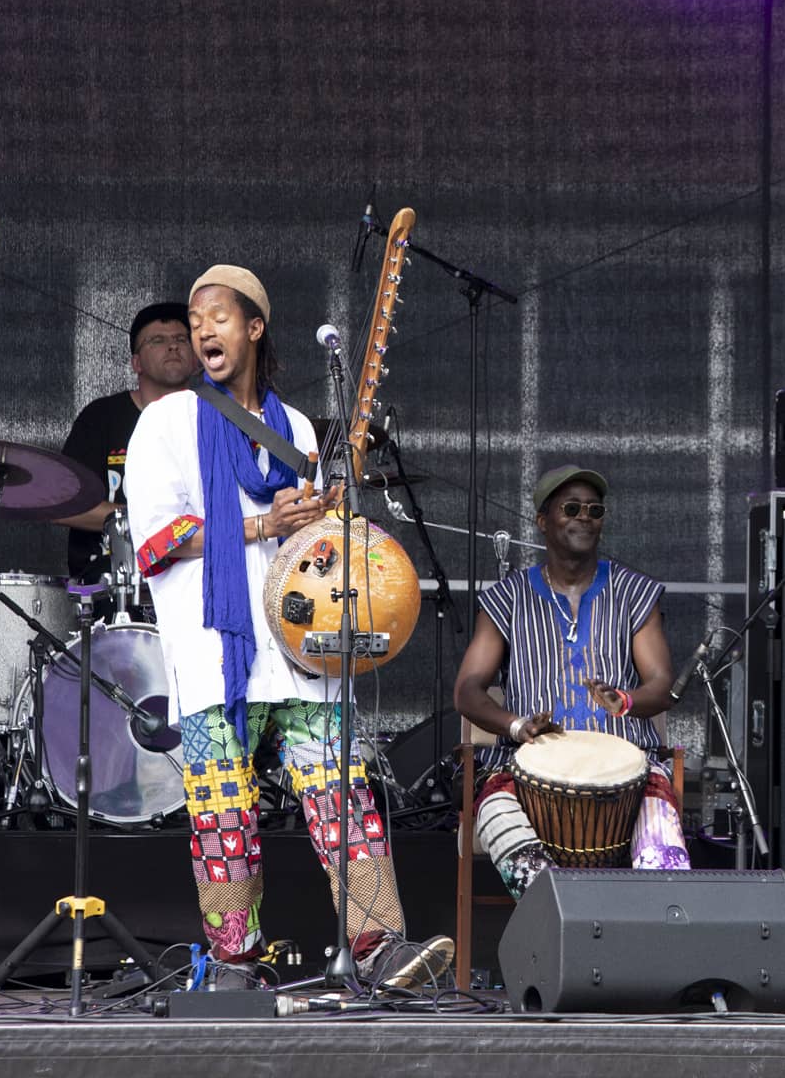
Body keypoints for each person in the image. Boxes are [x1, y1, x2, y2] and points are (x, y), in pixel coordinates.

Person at [126, 264, 447, 987]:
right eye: (194, 322)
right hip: (214, 651)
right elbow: (158, 539)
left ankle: (379, 948)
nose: (202, 331)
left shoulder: (295, 426)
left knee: (345, 801)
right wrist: (265, 523)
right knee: (223, 817)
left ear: (254, 327)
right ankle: (235, 962)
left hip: (302, 650)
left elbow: (306, 550)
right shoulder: (166, 421)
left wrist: (323, 521)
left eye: (217, 317)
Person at [453, 465, 690, 897]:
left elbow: (661, 684)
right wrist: (516, 725)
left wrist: (626, 700)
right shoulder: (507, 598)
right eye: (572, 508)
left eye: (595, 510)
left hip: (629, 774)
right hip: (523, 770)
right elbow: (467, 691)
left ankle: (657, 924)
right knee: (497, 816)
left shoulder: (634, 593)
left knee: (664, 860)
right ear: (543, 521)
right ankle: (557, 914)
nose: (585, 517)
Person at [59, 301, 197, 588]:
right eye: (157, 340)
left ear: (196, 358)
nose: (173, 346)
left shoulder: (212, 421)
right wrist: (146, 522)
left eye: (181, 339)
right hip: (109, 583)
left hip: (191, 578)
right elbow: (62, 505)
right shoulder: (102, 417)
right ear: (136, 363)